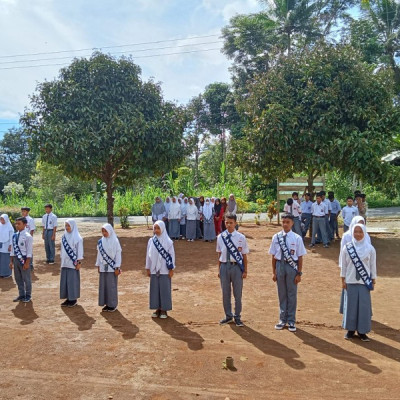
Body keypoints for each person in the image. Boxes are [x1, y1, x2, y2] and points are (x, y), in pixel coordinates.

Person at [269, 214, 306, 332]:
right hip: (280, 265)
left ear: (292, 223)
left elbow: (300, 257)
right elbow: (273, 256)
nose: (285, 224)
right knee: (282, 293)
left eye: (287, 222)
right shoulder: (276, 237)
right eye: (283, 222)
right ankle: (282, 319)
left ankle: (291, 320)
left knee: (291, 294)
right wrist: (274, 272)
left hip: (292, 267)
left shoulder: (297, 238)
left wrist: (299, 273)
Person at [340, 223, 377, 342]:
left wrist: (373, 279)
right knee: (350, 306)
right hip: (350, 280)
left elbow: (372, 265)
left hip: (364, 281)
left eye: (360, 232)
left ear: (365, 233)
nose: (358, 234)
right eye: (355, 232)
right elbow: (344, 266)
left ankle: (362, 331)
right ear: (352, 233)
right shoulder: (347, 247)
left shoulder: (370, 249)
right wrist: (343, 279)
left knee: (363, 307)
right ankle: (350, 330)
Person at [217, 214, 249, 327]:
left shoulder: (241, 237)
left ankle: (237, 316)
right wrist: (219, 270)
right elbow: (220, 254)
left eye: (231, 222)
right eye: (226, 222)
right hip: (224, 267)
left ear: (235, 223)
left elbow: (244, 255)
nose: (229, 225)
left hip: (237, 267)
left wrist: (245, 270)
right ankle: (228, 316)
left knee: (237, 294)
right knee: (225, 293)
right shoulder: (220, 237)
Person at [146, 220, 175, 319]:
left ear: (162, 228)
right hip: (154, 269)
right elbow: (148, 256)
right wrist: (148, 268)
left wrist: (171, 269)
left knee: (164, 289)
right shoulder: (151, 241)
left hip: (164, 270)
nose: (156, 230)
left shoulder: (168, 242)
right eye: (155, 228)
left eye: (158, 228)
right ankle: (157, 308)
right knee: (155, 289)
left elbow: (172, 256)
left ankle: (164, 309)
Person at [96, 224, 122, 312]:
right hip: (103, 267)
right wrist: (98, 265)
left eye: (105, 231)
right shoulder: (100, 241)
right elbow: (99, 254)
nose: (104, 233)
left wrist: (117, 266)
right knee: (104, 285)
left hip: (112, 267)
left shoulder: (115, 241)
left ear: (110, 231)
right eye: (102, 231)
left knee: (111, 285)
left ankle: (112, 304)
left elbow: (118, 254)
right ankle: (106, 303)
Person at [60, 219, 83, 308]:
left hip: (73, 263)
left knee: (72, 280)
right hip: (64, 262)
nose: (67, 227)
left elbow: (79, 251)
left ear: (73, 226)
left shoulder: (78, 238)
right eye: (66, 225)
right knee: (65, 280)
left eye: (68, 225)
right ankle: (67, 298)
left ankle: (73, 299)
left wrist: (79, 262)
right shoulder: (64, 236)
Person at [10, 217, 33, 302]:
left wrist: (27, 263)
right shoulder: (14, 235)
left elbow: (29, 251)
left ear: (25, 224)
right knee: (18, 278)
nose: (17, 225)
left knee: (26, 278)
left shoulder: (28, 236)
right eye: (16, 224)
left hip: (23, 259)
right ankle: (21, 294)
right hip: (16, 259)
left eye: (19, 224)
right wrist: (11, 261)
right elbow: (13, 249)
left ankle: (28, 295)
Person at [0, 214, 14, 278]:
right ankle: (1, 273)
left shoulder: (10, 227)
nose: (2, 221)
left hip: (6, 245)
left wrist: (10, 245)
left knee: (6, 259)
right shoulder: (0, 226)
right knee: (1, 259)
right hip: (0, 244)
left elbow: (12, 237)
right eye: (1, 219)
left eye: (3, 219)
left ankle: (7, 273)